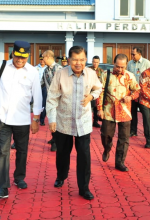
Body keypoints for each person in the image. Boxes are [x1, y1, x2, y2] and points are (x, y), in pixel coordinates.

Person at [0, 41, 42, 199]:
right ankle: (2, 187)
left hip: (22, 119)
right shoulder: (3, 67)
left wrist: (36, 118)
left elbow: (37, 96)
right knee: (3, 152)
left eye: (23, 58)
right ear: (13, 54)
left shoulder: (33, 72)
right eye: (17, 57)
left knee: (22, 151)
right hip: (2, 117)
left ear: (28, 56)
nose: (20, 60)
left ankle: (19, 177)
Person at [46, 46, 102, 200]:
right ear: (69, 60)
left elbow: (98, 88)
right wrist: (52, 119)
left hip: (83, 123)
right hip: (63, 122)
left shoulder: (91, 74)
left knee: (84, 155)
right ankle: (61, 176)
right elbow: (52, 98)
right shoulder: (60, 74)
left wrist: (91, 96)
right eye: (75, 60)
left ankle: (84, 188)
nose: (79, 63)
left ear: (85, 60)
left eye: (82, 60)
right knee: (63, 154)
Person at [97, 54, 140, 172]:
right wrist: (99, 109)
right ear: (113, 64)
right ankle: (107, 148)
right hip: (108, 111)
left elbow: (137, 91)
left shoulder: (130, 76)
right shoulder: (106, 75)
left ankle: (120, 162)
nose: (120, 69)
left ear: (126, 65)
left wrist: (130, 97)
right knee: (105, 135)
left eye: (122, 67)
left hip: (124, 111)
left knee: (124, 138)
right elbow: (100, 92)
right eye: (117, 66)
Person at [41, 50, 63, 151]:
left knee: (57, 121)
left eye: (43, 57)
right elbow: (41, 83)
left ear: (49, 57)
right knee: (51, 119)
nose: (42, 59)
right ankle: (54, 138)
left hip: (59, 100)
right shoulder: (45, 70)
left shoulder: (59, 69)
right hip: (50, 99)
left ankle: (56, 142)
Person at [127, 47, 150, 137]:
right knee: (133, 112)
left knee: (145, 114)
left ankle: (148, 133)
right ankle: (133, 131)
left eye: (134, 54)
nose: (132, 56)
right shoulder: (129, 63)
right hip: (133, 92)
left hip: (143, 92)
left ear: (140, 54)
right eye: (131, 54)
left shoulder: (146, 63)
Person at [89, 55, 103, 128]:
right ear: (92, 62)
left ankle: (95, 122)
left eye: (97, 62)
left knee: (96, 108)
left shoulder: (101, 71)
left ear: (99, 62)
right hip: (89, 92)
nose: (95, 63)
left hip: (98, 92)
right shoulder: (88, 70)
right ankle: (87, 122)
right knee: (89, 108)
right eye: (94, 62)